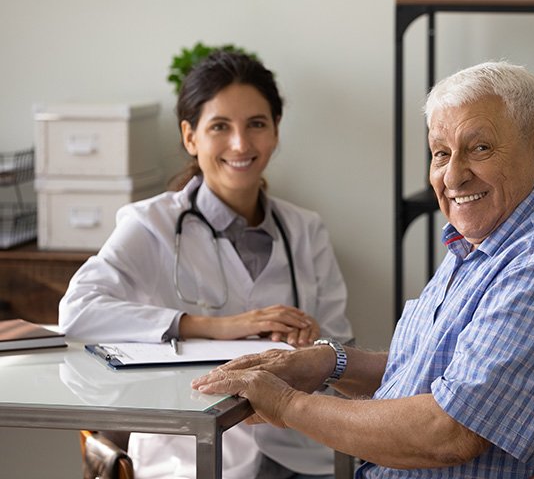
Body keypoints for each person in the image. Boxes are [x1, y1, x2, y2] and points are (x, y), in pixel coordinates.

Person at [191, 61, 534, 478]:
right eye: (440, 152)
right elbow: (440, 376)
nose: (453, 176)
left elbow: (448, 431)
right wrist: (332, 362)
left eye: (479, 148)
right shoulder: (494, 238)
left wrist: (287, 405)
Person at [59, 51, 353, 479]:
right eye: (220, 127)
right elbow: (77, 311)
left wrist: (314, 349)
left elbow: (341, 352)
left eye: (256, 124)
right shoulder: (151, 225)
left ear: (275, 132)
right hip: (185, 455)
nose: (240, 144)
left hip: (298, 451)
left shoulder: (305, 230)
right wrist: (215, 325)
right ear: (190, 137)